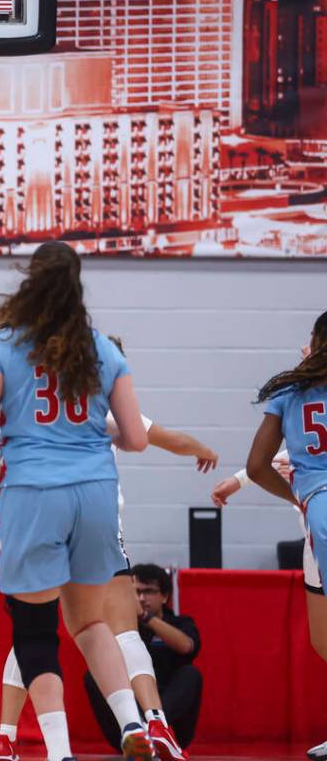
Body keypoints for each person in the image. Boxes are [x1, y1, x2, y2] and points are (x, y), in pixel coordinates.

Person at [0, 335, 216, 761]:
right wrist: (200, 448)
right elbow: (152, 437)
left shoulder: (22, 386)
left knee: (34, 631)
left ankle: (15, 739)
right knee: (115, 629)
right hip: (96, 519)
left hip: (36, 517)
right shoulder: (103, 403)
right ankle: (148, 720)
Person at [0, 241, 155, 761]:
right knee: (91, 623)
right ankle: (133, 725)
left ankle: (60, 751)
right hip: (96, 495)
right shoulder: (103, 349)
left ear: (30, 280)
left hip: (33, 493)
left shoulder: (2, 345)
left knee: (36, 631)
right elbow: (135, 438)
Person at [215, 311, 327, 761]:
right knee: (323, 640)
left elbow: (266, 462)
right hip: (313, 521)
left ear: (316, 341)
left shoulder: (289, 389)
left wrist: (297, 498)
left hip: (317, 512)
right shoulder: (295, 387)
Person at [82, 564, 202, 752]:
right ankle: (135, 728)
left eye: (149, 591)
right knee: (94, 676)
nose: (141, 598)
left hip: (173, 719)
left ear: (164, 596)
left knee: (191, 674)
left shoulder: (180, 623)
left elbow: (186, 646)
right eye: (136, 592)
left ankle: (158, 728)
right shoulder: (117, 626)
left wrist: (145, 617)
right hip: (129, 714)